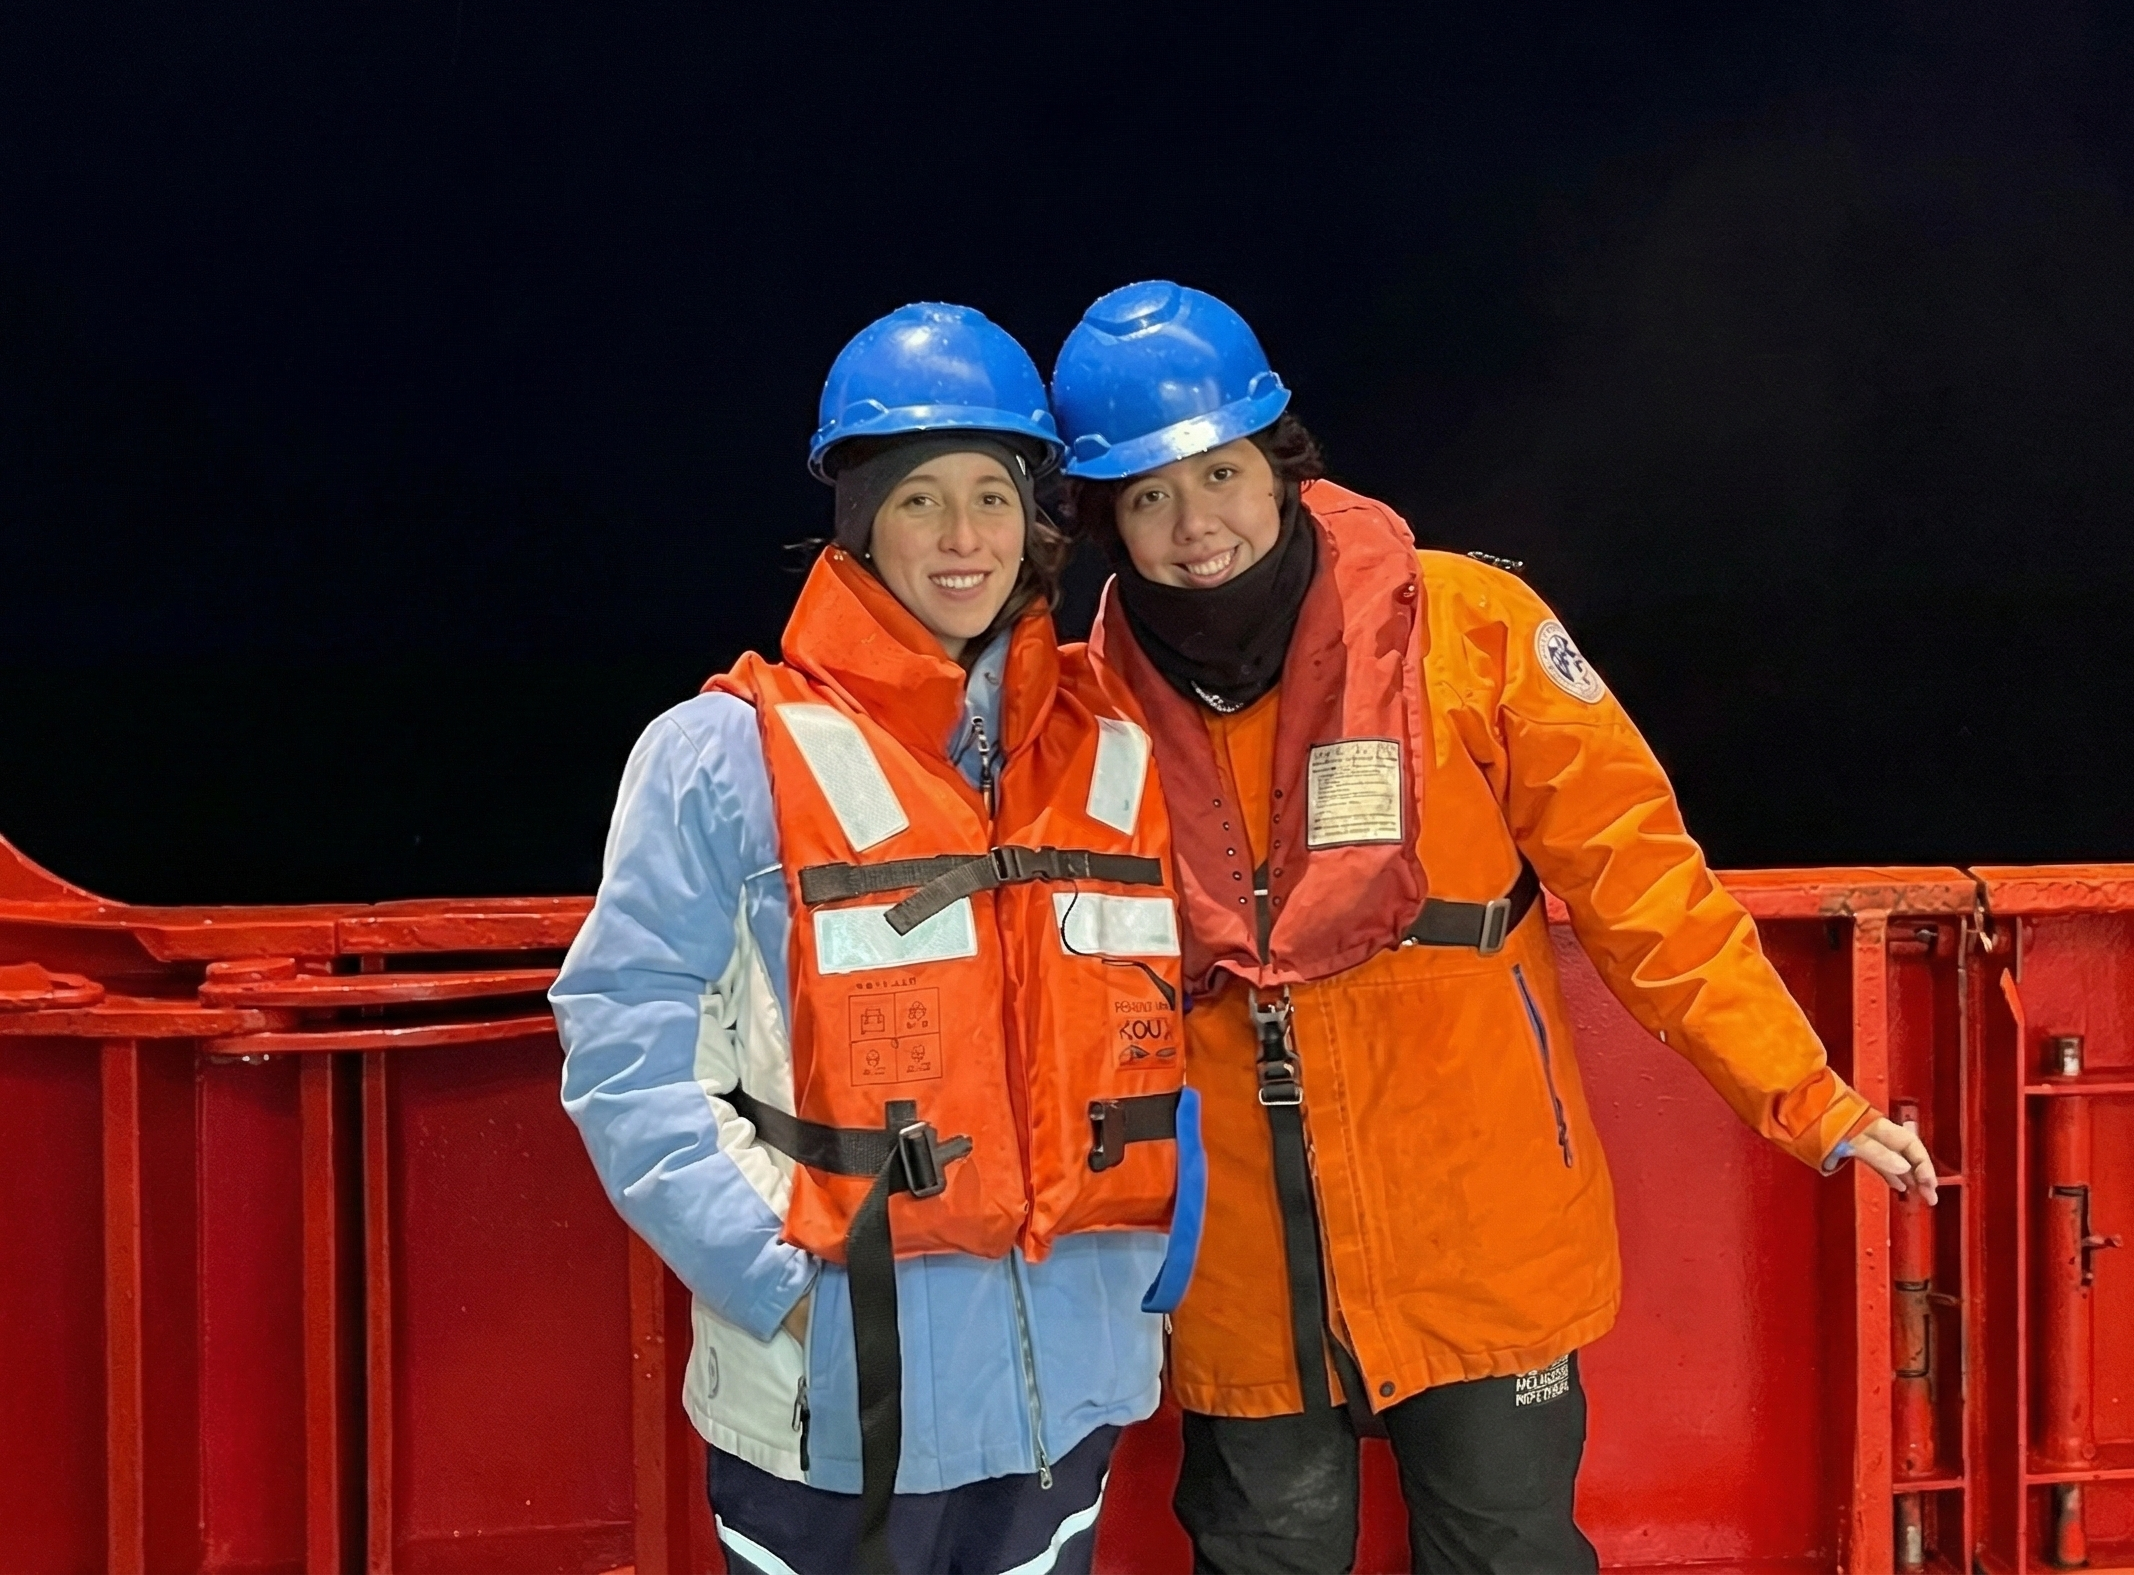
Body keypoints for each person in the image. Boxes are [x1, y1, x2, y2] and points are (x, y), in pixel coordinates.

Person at [1046, 279, 1939, 1575]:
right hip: (1238, 1269)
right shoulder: (1081, 715)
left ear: (1282, 462)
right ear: (1104, 523)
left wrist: (1809, 1098)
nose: (1196, 528)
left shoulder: (1468, 629)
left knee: (1507, 1550)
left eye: (1220, 475)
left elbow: (1645, 885)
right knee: (1262, 1552)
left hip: (1482, 1227)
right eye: (1146, 497)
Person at [552, 302, 1199, 1575]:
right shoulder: (723, 754)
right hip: (837, 1409)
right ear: (858, 523)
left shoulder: (1112, 741)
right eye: (919, 499)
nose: (964, 537)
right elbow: (626, 1054)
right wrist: (781, 1281)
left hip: (1070, 1391)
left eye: (993, 497)